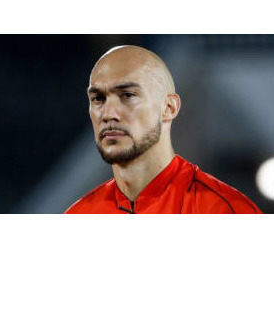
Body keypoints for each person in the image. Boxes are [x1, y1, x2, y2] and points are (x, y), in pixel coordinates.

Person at [65, 45, 261, 214]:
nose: (108, 113)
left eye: (127, 95)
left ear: (169, 108)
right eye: (98, 98)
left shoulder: (224, 210)